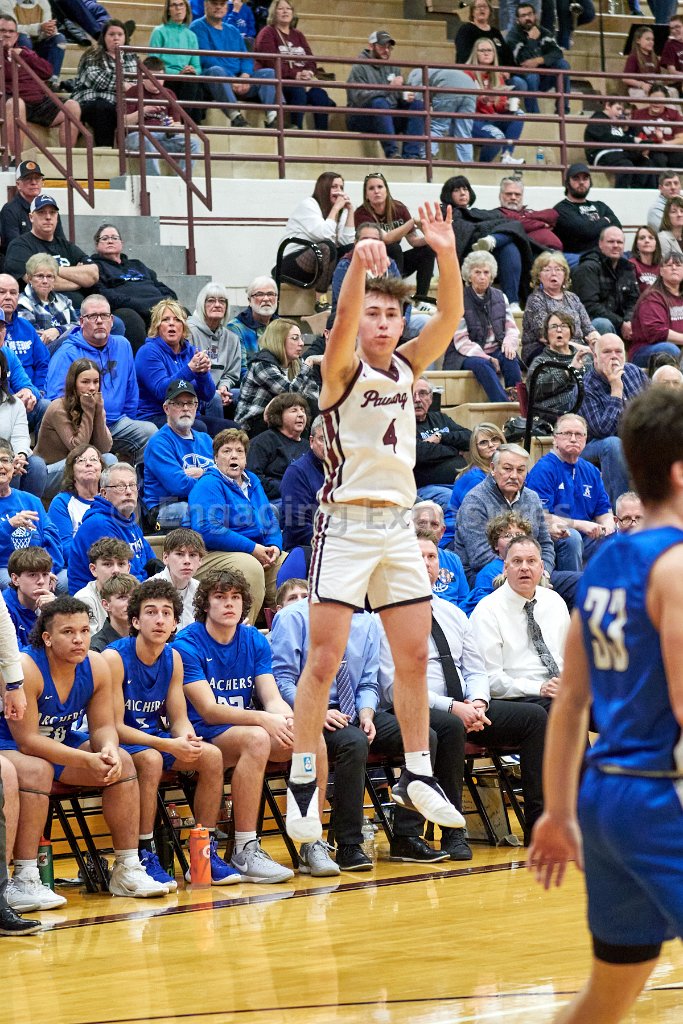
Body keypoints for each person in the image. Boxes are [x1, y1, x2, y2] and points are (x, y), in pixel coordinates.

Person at [284, 201, 466, 845]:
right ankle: (302, 780)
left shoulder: (409, 366)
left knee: (412, 655)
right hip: (344, 524)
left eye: (392, 314)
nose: (384, 322)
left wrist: (446, 251)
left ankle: (418, 772)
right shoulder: (340, 370)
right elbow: (338, 323)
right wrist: (359, 269)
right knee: (324, 659)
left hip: (397, 526)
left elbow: (450, 316)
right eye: (374, 312)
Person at [526, 385, 683, 1024]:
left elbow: (570, 703)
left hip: (606, 798)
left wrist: (559, 812)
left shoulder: (608, 562)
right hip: (664, 795)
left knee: (607, 998)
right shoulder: (676, 566)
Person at [380, 531, 549, 854]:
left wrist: (479, 702)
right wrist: (454, 708)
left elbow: (476, 670)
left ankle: (539, 826)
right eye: (417, 557)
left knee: (534, 717)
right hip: (414, 707)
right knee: (448, 725)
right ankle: (452, 832)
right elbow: (392, 686)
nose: (426, 563)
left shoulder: (453, 613)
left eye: (431, 557)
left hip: (466, 707)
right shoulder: (385, 617)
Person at [0, 596, 170, 904]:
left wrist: (107, 749)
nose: (78, 639)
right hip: (11, 744)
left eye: (84, 630)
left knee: (123, 761)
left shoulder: (96, 664)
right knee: (38, 770)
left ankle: (127, 867)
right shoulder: (27, 667)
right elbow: (28, 741)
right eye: (68, 632)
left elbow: (103, 727)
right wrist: (86, 759)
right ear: (47, 638)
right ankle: (24, 877)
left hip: (61, 741)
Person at [272, 593, 447, 869]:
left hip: (352, 709)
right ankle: (349, 844)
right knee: (353, 742)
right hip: (309, 713)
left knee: (424, 736)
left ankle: (407, 837)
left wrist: (367, 713)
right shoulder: (292, 617)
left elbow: (368, 682)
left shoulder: (366, 622)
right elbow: (282, 680)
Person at [174, 569, 323, 881]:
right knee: (257, 738)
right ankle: (245, 848)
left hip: (245, 729)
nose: (229, 603)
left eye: (235, 597)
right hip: (203, 733)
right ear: (205, 604)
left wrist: (288, 719)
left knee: (312, 738)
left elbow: (271, 697)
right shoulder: (187, 643)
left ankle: (312, 841)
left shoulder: (254, 639)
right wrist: (263, 718)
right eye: (220, 597)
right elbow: (209, 710)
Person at [104, 578, 234, 889]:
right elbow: (113, 727)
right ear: (136, 621)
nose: (160, 619)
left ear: (176, 622)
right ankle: (144, 853)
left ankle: (203, 853)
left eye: (166, 613)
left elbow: (179, 719)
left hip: (155, 739)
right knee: (151, 759)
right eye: (151, 612)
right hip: (118, 741)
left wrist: (186, 738)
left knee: (211, 756)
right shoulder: (113, 658)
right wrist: (169, 744)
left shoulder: (173, 657)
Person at [184, 428, 286, 621]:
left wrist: (274, 546)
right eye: (227, 451)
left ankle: (283, 626)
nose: (234, 456)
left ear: (245, 459)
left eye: (239, 451)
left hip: (253, 550)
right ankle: (245, 630)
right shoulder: (208, 484)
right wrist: (253, 548)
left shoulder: (252, 480)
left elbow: (269, 519)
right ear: (215, 458)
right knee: (250, 566)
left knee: (285, 562)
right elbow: (207, 529)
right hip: (211, 553)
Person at [470, 533, 569, 731]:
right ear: (505, 568)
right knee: (563, 709)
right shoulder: (487, 610)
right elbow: (489, 679)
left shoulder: (555, 601)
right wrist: (539, 688)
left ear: (541, 567)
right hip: (516, 697)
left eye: (531, 561)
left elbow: (569, 657)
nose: (524, 567)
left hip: (557, 689)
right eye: (517, 561)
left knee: (609, 702)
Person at [45, 294, 157, 466]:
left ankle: (135, 480)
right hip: (78, 426)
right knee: (106, 459)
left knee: (149, 432)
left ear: (111, 321)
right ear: (81, 322)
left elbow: (131, 392)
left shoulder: (123, 345)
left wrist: (127, 419)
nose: (99, 321)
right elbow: (56, 399)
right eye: (92, 316)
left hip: (115, 423)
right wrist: (85, 421)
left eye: (104, 316)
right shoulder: (66, 353)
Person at [454, 442, 555, 585]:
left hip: (532, 572)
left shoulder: (532, 497)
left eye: (520, 470)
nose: (514, 476)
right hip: (486, 575)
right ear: (493, 469)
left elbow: (545, 544)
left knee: (576, 582)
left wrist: (544, 573)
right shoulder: (474, 500)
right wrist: (522, 571)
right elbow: (480, 556)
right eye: (507, 469)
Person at [526, 413, 614, 571]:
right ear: (555, 439)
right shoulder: (544, 469)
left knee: (617, 537)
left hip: (587, 538)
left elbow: (604, 512)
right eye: (567, 433)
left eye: (579, 434)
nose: (573, 439)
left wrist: (607, 528)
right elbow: (540, 517)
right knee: (572, 537)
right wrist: (580, 525)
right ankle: (573, 585)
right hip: (557, 538)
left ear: (585, 439)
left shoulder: (591, 471)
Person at [440, 175, 532, 312]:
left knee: (510, 246)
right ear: (448, 194)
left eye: (465, 189)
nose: (462, 193)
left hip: (489, 254)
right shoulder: (448, 213)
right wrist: (487, 228)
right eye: (457, 190)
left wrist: (485, 229)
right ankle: (493, 240)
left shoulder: (477, 213)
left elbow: (503, 221)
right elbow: (465, 233)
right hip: (466, 254)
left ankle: (512, 303)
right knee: (513, 227)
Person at [442, 249, 522, 401]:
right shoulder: (458, 299)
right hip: (464, 354)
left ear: (491, 276)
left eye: (486, 272)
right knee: (483, 364)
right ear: (469, 276)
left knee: (510, 359)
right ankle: (502, 404)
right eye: (477, 272)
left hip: (495, 349)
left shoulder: (500, 296)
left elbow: (511, 328)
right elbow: (461, 341)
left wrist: (509, 344)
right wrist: (486, 357)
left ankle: (518, 401)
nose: (482, 277)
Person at [579, 334, 649, 507]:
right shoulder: (585, 387)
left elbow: (655, 408)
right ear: (595, 357)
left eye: (618, 351)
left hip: (635, 441)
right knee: (613, 444)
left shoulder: (634, 372)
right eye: (607, 352)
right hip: (594, 446)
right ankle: (620, 511)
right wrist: (616, 389)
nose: (614, 357)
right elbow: (603, 430)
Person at [134, 301, 221, 433]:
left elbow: (208, 395)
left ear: (183, 326)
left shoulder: (191, 351)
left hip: (188, 415)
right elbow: (161, 392)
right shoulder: (148, 352)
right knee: (199, 427)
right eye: (165, 319)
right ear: (157, 326)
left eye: (177, 320)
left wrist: (203, 373)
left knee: (230, 428)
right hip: (156, 416)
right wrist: (190, 369)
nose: (171, 323)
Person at [68, 463, 156, 594]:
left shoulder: (129, 521)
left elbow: (151, 562)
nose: (128, 491)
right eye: (120, 486)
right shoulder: (99, 524)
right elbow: (121, 577)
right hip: (100, 599)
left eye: (132, 485)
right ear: (104, 493)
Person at [90, 223, 177, 351]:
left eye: (114, 238)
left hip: (155, 305)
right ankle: (140, 362)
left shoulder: (137, 264)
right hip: (127, 307)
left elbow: (161, 286)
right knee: (130, 318)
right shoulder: (95, 267)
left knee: (181, 313)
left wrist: (168, 301)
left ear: (121, 243)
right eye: (105, 238)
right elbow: (102, 293)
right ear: (97, 245)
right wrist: (138, 304)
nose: (110, 241)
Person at [0, 14, 79, 155]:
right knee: (16, 103)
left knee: (72, 106)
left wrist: (23, 55)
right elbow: (6, 74)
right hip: (9, 99)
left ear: (16, 36)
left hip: (37, 102)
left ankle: (67, 157)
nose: (7, 34)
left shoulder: (25, 52)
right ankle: (15, 159)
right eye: (2, 30)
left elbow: (47, 71)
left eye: (11, 31)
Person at [142, 379, 214, 531]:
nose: (185, 408)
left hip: (201, 500)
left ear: (196, 407)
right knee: (198, 511)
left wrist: (202, 473)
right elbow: (180, 486)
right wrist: (213, 477)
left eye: (190, 403)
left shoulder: (206, 440)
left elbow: (228, 475)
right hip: (165, 508)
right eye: (179, 404)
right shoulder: (159, 443)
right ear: (166, 408)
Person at [191, 0, 276, 127]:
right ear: (206, 5)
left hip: (239, 80)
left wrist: (245, 75)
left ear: (226, 7)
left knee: (268, 73)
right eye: (214, 4)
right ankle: (236, 117)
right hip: (215, 79)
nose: (218, 7)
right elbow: (206, 58)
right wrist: (231, 78)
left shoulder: (233, 30)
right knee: (216, 70)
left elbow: (246, 57)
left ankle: (273, 118)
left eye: (222, 4)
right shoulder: (197, 27)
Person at [4, 195, 98, 309]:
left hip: (79, 310)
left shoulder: (66, 245)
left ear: (57, 217)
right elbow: (37, 282)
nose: (48, 217)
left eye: (52, 212)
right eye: (41, 212)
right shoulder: (19, 246)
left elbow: (93, 274)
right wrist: (79, 281)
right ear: (31, 217)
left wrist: (51, 270)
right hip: (41, 311)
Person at [253, 0, 335, 130]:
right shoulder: (267, 32)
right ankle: (297, 129)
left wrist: (309, 72)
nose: (285, 11)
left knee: (320, 95)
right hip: (278, 83)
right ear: (273, 13)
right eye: (281, 9)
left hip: (299, 81)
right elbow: (271, 62)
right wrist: (295, 74)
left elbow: (310, 59)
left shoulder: (298, 35)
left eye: (288, 8)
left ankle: (322, 134)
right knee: (298, 90)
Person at [34, 358, 112, 492]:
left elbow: (104, 448)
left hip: (79, 464)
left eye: (96, 381)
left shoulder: (94, 406)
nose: (92, 387)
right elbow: (78, 448)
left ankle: (100, 502)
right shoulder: (58, 408)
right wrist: (89, 411)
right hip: (48, 472)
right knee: (85, 466)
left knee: (110, 459)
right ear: (73, 384)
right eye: (85, 382)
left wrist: (98, 411)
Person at [346, 29, 425, 161]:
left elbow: (398, 96)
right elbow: (358, 98)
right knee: (380, 103)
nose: (386, 50)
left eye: (389, 47)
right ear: (371, 46)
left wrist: (405, 96)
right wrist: (388, 89)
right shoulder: (359, 67)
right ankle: (392, 153)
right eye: (382, 46)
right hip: (363, 117)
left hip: (388, 116)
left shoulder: (394, 67)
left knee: (417, 105)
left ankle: (411, 155)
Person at [354, 173, 435, 301]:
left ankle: (421, 299)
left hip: (396, 264)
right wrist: (412, 222)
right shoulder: (361, 213)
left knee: (427, 250)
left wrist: (431, 236)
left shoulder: (399, 208)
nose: (376, 191)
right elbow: (386, 238)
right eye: (371, 188)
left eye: (380, 187)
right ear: (366, 195)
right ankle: (397, 296)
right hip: (372, 266)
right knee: (393, 247)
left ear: (386, 190)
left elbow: (414, 241)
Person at [280, 172, 355, 309]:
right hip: (292, 263)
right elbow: (324, 234)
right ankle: (321, 300)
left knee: (352, 249)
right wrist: (336, 208)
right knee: (327, 247)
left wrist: (350, 211)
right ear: (324, 188)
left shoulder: (339, 210)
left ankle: (347, 301)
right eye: (334, 187)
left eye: (341, 187)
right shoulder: (309, 204)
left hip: (320, 264)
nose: (339, 191)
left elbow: (347, 241)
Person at [0, 438, 64, 592]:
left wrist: (48, 571)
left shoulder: (31, 501)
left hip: (39, 567)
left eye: (5, 460)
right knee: (20, 586)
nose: (1, 466)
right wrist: (9, 525)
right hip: (5, 569)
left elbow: (52, 539)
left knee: (66, 581)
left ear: (14, 465)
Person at [235, 319, 319, 437]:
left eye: (301, 338)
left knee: (312, 406)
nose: (301, 343)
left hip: (281, 418)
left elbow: (313, 395)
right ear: (279, 340)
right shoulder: (262, 364)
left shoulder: (297, 363)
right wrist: (309, 362)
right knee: (297, 411)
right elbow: (291, 395)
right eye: (295, 338)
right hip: (253, 427)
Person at [124, 56, 203, 177]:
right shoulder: (133, 91)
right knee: (146, 139)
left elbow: (178, 124)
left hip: (163, 136)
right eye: (151, 77)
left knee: (194, 143)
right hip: (138, 135)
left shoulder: (169, 93)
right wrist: (144, 110)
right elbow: (124, 122)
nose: (156, 81)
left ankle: (181, 180)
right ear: (143, 78)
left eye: (159, 77)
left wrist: (172, 126)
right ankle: (154, 180)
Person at [70, 19, 138, 146]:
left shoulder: (131, 57)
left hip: (120, 104)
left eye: (120, 34)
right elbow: (98, 80)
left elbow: (137, 84)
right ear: (104, 37)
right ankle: (105, 149)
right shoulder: (93, 54)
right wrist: (123, 85)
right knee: (103, 107)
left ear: (125, 38)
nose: (116, 38)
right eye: (111, 34)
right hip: (92, 101)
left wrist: (128, 87)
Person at [442, 422, 506, 547]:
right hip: (455, 541)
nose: (491, 445)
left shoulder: (505, 472)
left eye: (495, 439)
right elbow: (476, 523)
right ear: (475, 449)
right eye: (483, 442)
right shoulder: (475, 478)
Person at [572, 227, 640, 340]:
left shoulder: (627, 267)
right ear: (600, 244)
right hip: (592, 325)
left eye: (619, 242)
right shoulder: (588, 268)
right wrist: (621, 323)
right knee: (603, 323)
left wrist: (628, 321)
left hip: (622, 323)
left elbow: (634, 300)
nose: (615, 245)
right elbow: (589, 306)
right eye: (611, 241)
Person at [412, 378, 470, 510]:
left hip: (460, 481)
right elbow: (419, 452)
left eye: (422, 393)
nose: (417, 399)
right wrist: (455, 450)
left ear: (431, 398)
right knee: (455, 500)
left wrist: (441, 437)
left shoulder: (440, 418)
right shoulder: (402, 424)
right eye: (412, 394)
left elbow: (469, 437)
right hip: (427, 488)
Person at [460, 510, 533, 615]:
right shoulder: (488, 573)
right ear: (496, 545)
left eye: (519, 534)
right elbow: (481, 611)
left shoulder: (533, 566)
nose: (515, 539)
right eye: (507, 535)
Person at [466, 38, 524, 165]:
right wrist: (484, 99)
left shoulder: (496, 75)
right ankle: (482, 167)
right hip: (473, 119)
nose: (486, 53)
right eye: (482, 50)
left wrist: (506, 106)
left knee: (519, 114)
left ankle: (506, 156)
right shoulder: (467, 73)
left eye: (489, 50)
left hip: (490, 117)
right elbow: (464, 102)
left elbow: (499, 106)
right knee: (498, 136)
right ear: (475, 53)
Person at [507, 3, 571, 115]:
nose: (527, 18)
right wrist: (532, 40)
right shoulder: (513, 36)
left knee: (563, 65)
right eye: (523, 16)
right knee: (532, 74)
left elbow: (557, 53)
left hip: (543, 77)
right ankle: (534, 114)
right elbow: (523, 60)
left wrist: (538, 60)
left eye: (530, 14)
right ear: (517, 20)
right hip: (523, 76)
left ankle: (563, 110)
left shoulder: (544, 32)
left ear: (535, 16)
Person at [46, 445, 107, 562]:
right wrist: (100, 561)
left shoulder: (110, 499)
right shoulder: (62, 502)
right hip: (77, 564)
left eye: (94, 459)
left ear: (101, 468)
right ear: (71, 471)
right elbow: (65, 548)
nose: (88, 463)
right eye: (81, 460)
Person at [0, 349, 47, 500]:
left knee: (35, 465)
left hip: (9, 456)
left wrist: (20, 455)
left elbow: (21, 437)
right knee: (6, 467)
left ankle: (29, 508)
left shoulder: (15, 404)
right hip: (4, 458)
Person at [187, 282, 241, 415]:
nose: (217, 305)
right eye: (211, 300)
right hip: (195, 390)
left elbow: (232, 373)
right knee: (214, 397)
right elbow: (186, 369)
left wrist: (224, 387)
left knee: (242, 394)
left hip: (220, 389)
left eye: (222, 301)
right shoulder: (189, 332)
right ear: (202, 304)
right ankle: (216, 430)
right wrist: (211, 390)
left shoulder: (232, 338)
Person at [526, 311, 591, 421]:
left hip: (585, 404)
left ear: (571, 331)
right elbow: (535, 390)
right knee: (582, 397)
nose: (559, 330)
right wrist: (568, 371)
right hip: (552, 410)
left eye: (564, 326)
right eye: (554, 326)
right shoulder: (540, 362)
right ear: (547, 334)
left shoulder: (585, 358)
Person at [246, 393, 309, 502]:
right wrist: (288, 488)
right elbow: (252, 476)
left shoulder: (308, 446)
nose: (301, 414)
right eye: (294, 410)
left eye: (302, 410)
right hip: (274, 499)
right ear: (279, 416)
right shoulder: (264, 441)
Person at [404, 65, 476, 162]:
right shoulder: (435, 71)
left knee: (438, 126)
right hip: (470, 88)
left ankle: (426, 156)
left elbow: (418, 101)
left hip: (448, 86)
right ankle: (467, 163)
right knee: (464, 132)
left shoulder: (416, 75)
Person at [584, 98, 654, 190]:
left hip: (619, 153)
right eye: (618, 109)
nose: (620, 113)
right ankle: (622, 195)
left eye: (621, 110)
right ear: (608, 105)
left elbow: (620, 140)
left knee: (645, 162)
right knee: (626, 164)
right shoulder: (597, 119)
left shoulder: (615, 122)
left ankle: (638, 191)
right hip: (601, 154)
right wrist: (633, 140)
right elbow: (609, 139)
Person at [553, 164, 621, 258]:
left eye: (585, 178)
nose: (581, 182)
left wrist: (592, 227)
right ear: (567, 183)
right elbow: (584, 231)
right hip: (579, 258)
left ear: (590, 182)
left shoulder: (600, 205)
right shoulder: (561, 209)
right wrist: (606, 220)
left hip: (605, 255)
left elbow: (617, 227)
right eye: (576, 178)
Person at [411, 502, 469, 609]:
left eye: (434, 524)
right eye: (422, 523)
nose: (428, 529)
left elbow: (464, 602)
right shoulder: (399, 560)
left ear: (442, 531)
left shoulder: (453, 560)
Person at [0, 160, 64, 256]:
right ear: (18, 184)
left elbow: (62, 243)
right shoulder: (10, 210)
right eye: (28, 179)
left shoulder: (50, 208)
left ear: (42, 182)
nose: (34, 182)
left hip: (49, 260)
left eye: (37, 178)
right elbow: (15, 247)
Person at [279, 413, 324, 549]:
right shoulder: (297, 472)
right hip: (305, 548)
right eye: (322, 439)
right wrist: (338, 541)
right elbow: (298, 528)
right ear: (311, 441)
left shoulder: (347, 470)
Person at [630, 251, 683, 367]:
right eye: (669, 265)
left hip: (678, 347)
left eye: (678, 265)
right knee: (670, 350)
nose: (674, 268)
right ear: (661, 271)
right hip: (646, 349)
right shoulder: (652, 296)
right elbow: (656, 332)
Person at [16, 254, 79, 349]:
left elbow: (77, 327)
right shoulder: (22, 303)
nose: (45, 281)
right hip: (41, 352)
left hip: (68, 348)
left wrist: (58, 330)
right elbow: (33, 337)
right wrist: (66, 332)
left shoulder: (64, 300)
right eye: (40, 276)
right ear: (29, 278)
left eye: (49, 276)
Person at [149, 0, 203, 109]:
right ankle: (185, 118)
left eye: (181, 4)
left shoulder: (191, 36)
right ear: (168, 11)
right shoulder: (159, 31)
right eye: (174, 5)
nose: (178, 8)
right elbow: (153, 64)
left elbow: (197, 67)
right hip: (165, 78)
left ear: (186, 8)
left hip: (186, 78)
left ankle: (185, 118)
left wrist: (193, 70)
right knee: (191, 83)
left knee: (196, 85)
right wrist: (178, 73)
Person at [72, 536, 132, 634]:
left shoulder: (138, 595)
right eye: (108, 564)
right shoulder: (84, 600)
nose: (116, 570)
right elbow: (88, 642)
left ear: (128, 569)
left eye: (121, 564)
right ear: (93, 569)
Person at [149, 528, 204, 630]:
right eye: (179, 554)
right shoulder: (148, 589)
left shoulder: (202, 591)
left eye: (192, 555)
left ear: (200, 560)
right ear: (165, 558)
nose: (187, 561)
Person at [227, 276, 279, 378]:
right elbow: (240, 370)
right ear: (249, 301)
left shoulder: (283, 327)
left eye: (270, 294)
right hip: (251, 384)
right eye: (259, 294)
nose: (266, 299)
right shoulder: (236, 328)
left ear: (277, 298)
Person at [5, 547, 54, 648]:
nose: (41, 581)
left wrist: (54, 613)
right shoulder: (4, 609)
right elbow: (15, 654)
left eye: (45, 574)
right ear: (15, 579)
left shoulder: (52, 603)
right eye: (32, 575)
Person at [496, 177, 563, 251]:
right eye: (509, 194)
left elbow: (552, 214)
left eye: (517, 194)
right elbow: (519, 223)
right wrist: (542, 224)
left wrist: (526, 216)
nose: (513, 197)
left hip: (556, 253)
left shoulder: (527, 212)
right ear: (500, 196)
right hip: (533, 253)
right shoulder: (499, 213)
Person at [633, 84, 683, 172]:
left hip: (670, 148)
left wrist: (666, 144)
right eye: (654, 99)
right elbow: (636, 137)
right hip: (651, 150)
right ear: (648, 98)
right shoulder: (638, 114)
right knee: (659, 159)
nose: (656, 103)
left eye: (660, 100)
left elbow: (681, 138)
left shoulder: (674, 114)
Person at [90, 572, 139, 652]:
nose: (130, 603)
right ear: (106, 604)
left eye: (134, 597)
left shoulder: (146, 638)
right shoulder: (96, 647)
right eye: (122, 597)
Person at [622, 25, 661, 96]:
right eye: (648, 39)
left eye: (652, 40)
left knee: (672, 91)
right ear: (638, 40)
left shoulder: (654, 58)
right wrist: (641, 84)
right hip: (637, 89)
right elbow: (625, 78)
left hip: (653, 89)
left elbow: (658, 77)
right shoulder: (633, 57)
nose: (651, 42)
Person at [629, 224, 661, 293]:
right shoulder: (630, 265)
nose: (646, 241)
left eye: (651, 238)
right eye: (642, 238)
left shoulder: (663, 266)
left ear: (656, 244)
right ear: (636, 244)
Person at [658, 194, 683, 259]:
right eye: (674, 212)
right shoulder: (663, 238)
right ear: (667, 216)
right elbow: (667, 263)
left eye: (682, 211)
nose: (679, 214)